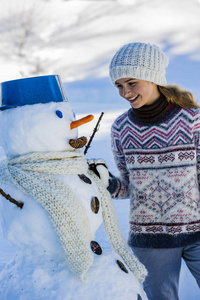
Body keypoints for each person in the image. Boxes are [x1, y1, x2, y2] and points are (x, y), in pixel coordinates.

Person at [105, 42, 200, 300]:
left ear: (153, 78)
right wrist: (106, 183)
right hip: (150, 241)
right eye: (119, 86)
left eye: (131, 83)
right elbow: (128, 186)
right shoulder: (121, 128)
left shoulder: (192, 119)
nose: (125, 92)